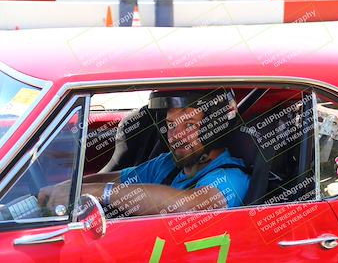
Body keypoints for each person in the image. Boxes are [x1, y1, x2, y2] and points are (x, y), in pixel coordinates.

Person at [39, 89, 250, 216]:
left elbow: (189, 205)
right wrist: (70, 188)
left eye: (189, 126)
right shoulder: (168, 164)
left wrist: (99, 192)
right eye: (171, 124)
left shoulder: (230, 177)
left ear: (214, 128)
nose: (175, 135)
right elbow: (118, 178)